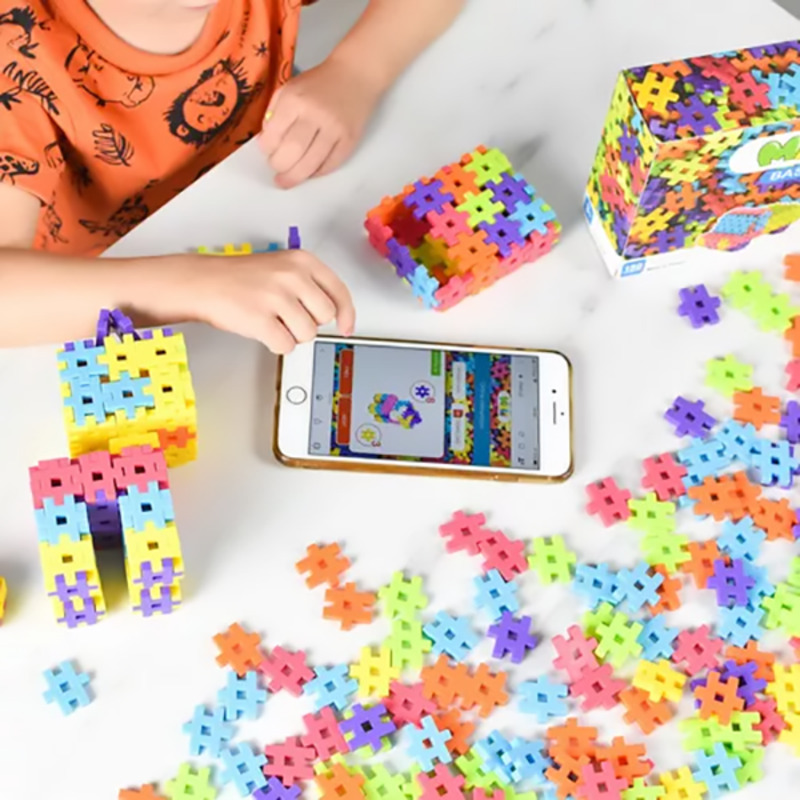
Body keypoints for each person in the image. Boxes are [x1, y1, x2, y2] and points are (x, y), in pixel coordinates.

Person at [0, 0, 464, 349]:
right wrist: (191, 286)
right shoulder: (15, 51)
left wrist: (356, 72)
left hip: (252, 199)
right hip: (82, 279)